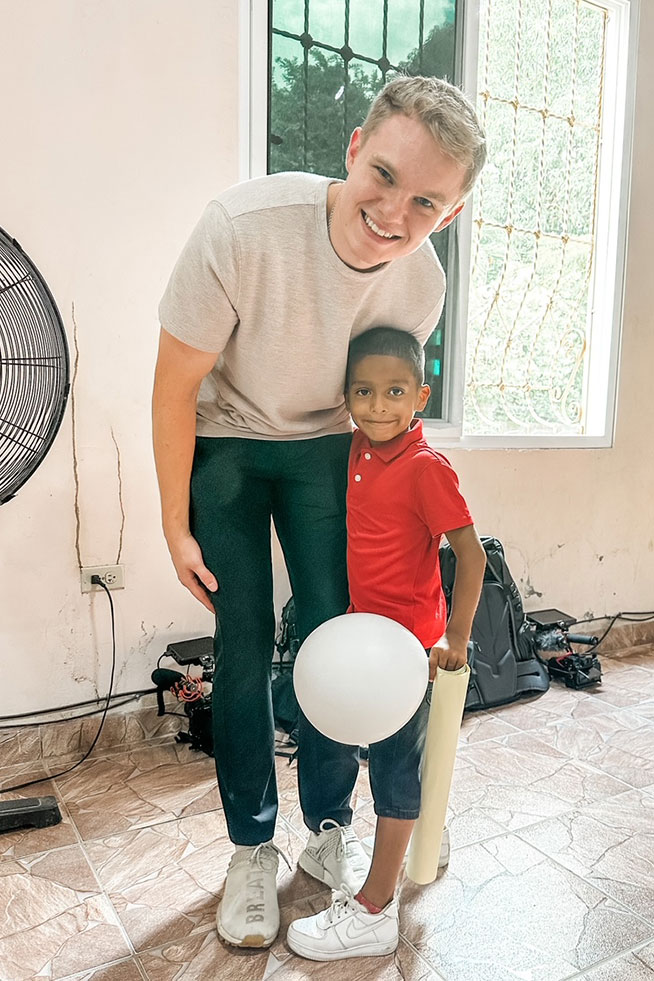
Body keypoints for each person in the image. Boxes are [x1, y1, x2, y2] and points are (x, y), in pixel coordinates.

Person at [152, 76, 486, 950]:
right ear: (350, 150)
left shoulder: (422, 286)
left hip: (325, 452)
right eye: (383, 175)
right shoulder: (241, 228)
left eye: (425, 202)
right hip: (223, 439)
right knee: (243, 637)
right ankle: (251, 850)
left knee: (333, 633)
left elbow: (388, 415)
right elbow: (174, 384)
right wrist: (173, 522)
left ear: (446, 215)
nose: (393, 211)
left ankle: (330, 828)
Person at [286, 327, 486, 961]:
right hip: (365, 641)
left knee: (394, 769)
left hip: (407, 654)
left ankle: (374, 909)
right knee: (398, 757)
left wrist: (454, 638)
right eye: (364, 392)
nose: (378, 406)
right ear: (346, 397)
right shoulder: (357, 450)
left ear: (421, 395)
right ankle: (427, 831)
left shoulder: (427, 469)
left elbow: (471, 556)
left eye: (394, 391)